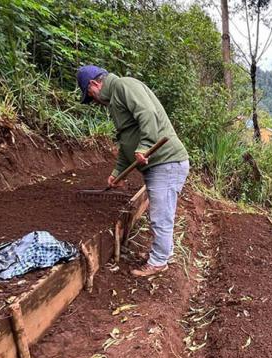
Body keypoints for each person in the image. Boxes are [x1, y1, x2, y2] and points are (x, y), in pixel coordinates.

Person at [76, 65, 190, 277]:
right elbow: (126, 139)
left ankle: (158, 262)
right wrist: (118, 170)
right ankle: (163, 254)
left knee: (160, 216)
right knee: (161, 213)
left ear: (94, 84)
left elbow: (147, 113)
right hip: (160, 165)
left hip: (166, 162)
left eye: (90, 95)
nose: (93, 101)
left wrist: (146, 144)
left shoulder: (123, 86)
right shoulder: (116, 101)